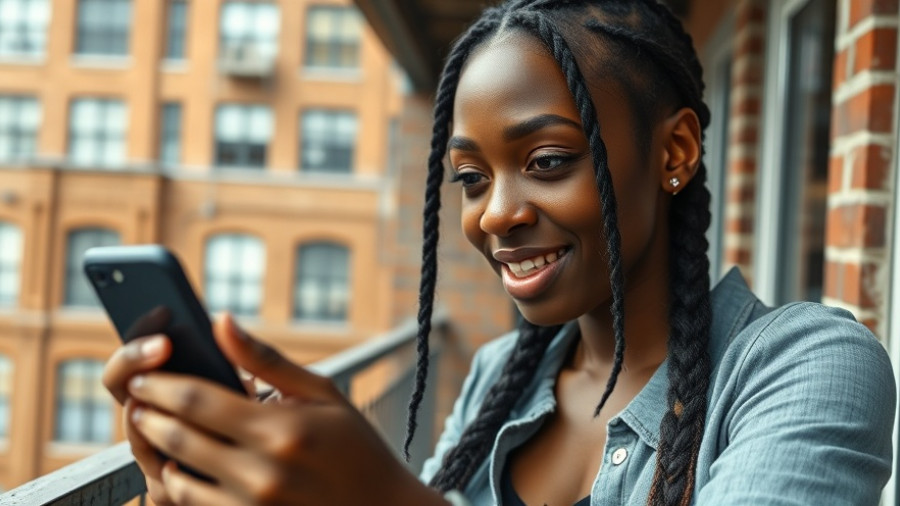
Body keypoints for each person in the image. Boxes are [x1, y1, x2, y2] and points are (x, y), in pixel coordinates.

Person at [102, 1, 896, 505]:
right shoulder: (499, 379)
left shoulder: (808, 368)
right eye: (472, 178)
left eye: (548, 161)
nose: (497, 214)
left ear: (675, 150)